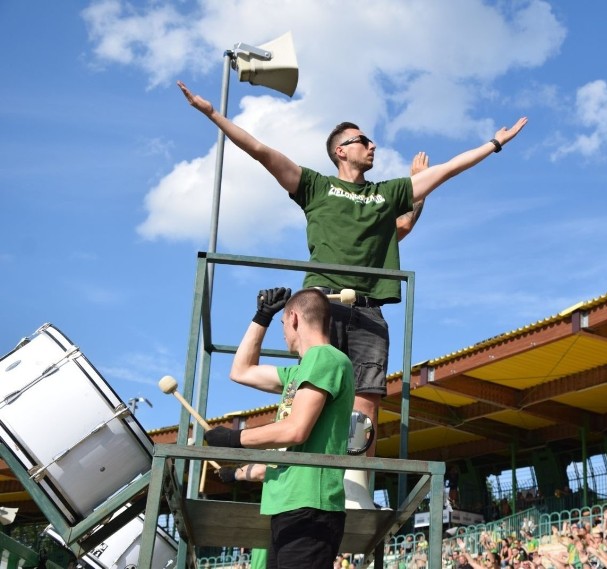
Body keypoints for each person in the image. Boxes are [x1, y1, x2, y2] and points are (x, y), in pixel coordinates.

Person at [178, 81, 527, 468]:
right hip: (319, 307)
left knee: (364, 409)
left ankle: (356, 487)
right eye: (364, 140)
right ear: (340, 150)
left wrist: (493, 145)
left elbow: (441, 178)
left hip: (368, 311)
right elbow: (261, 151)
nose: (373, 146)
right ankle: (271, 468)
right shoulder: (314, 186)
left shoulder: (386, 194)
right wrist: (211, 113)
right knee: (313, 394)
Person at [204, 287, 355, 568]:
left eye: (283, 324)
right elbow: (241, 371)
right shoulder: (298, 372)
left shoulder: (325, 358)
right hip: (288, 504)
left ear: (294, 318)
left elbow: (295, 430)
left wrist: (235, 439)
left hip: (310, 505)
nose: (283, 332)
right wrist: (262, 317)